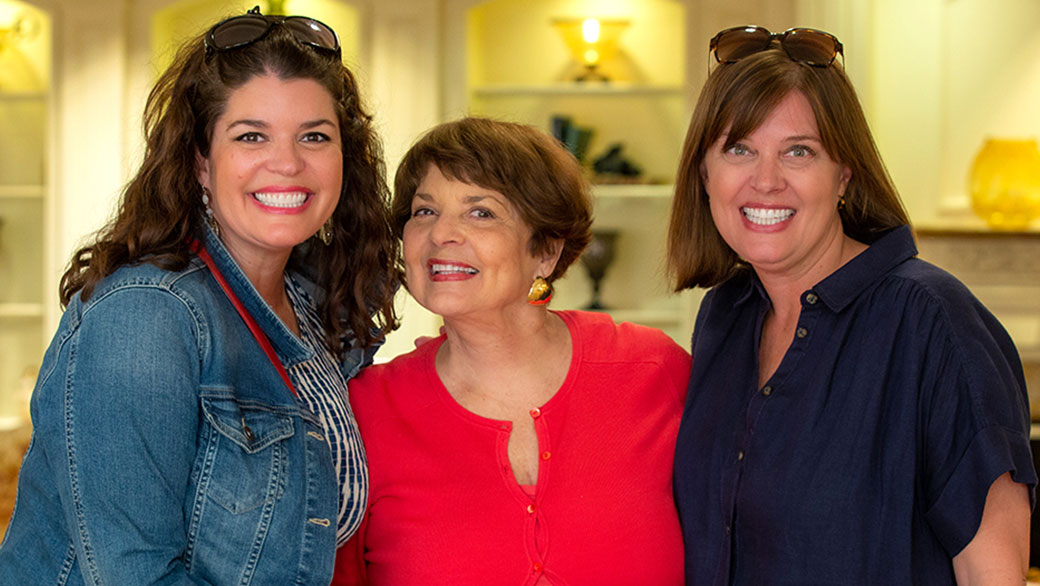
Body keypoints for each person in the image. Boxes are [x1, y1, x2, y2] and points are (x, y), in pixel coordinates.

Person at [0, 7, 399, 584]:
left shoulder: (311, 306)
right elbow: (134, 576)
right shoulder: (147, 314)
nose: (287, 163)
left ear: (345, 156)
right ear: (201, 163)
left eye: (314, 135)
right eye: (251, 136)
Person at [668, 25, 1035, 585]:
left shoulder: (933, 322)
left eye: (799, 152)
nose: (765, 181)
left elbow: (994, 576)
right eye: (739, 149)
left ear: (844, 174)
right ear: (704, 172)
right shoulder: (725, 315)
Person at [333, 117, 690, 585]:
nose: (441, 234)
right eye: (424, 212)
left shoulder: (653, 372)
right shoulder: (366, 410)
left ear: (546, 251)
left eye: (480, 212)